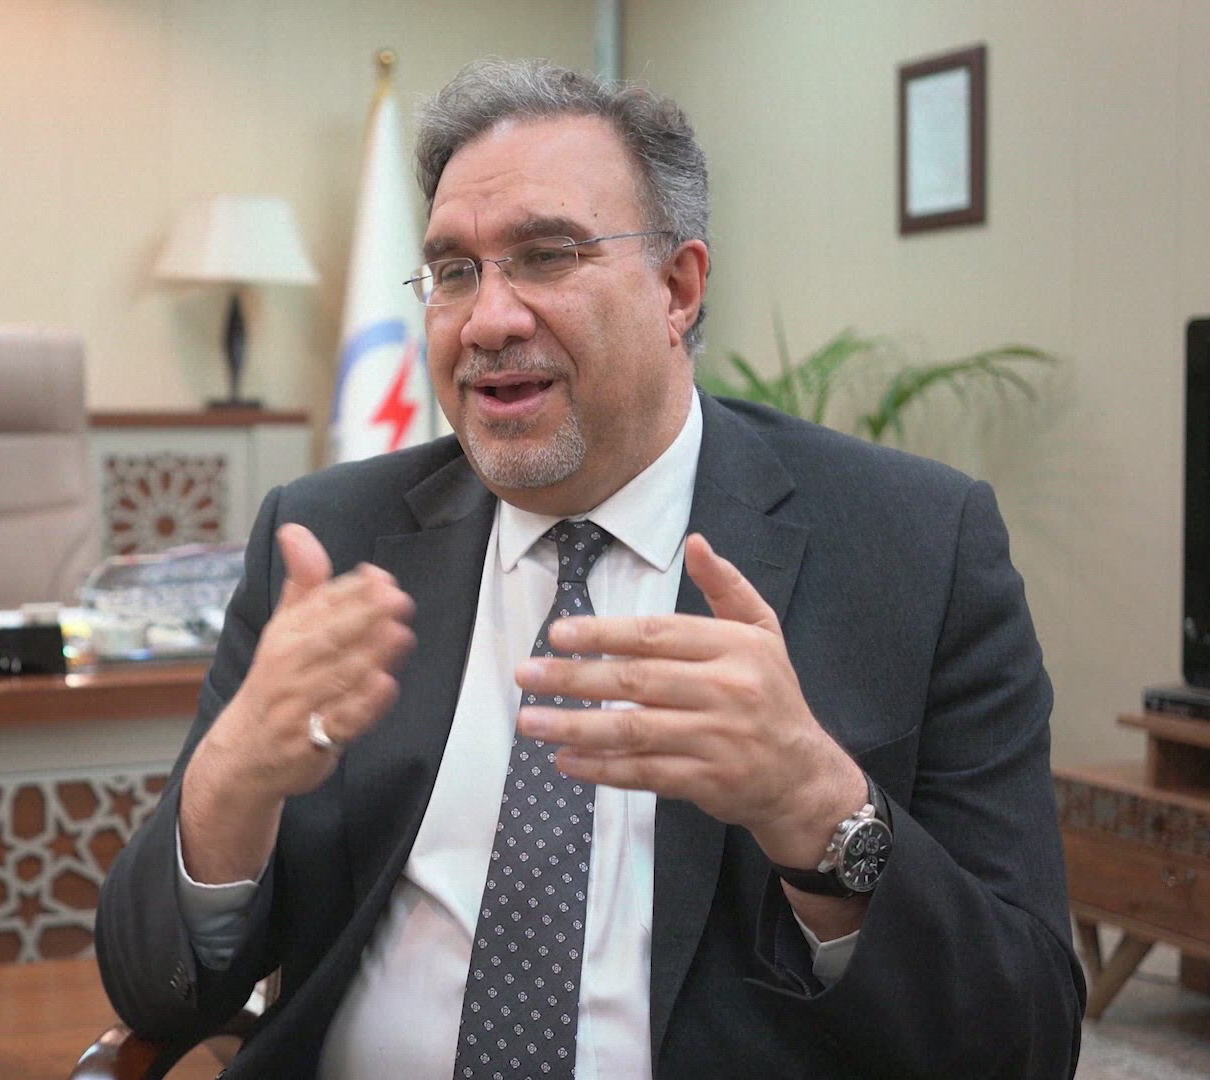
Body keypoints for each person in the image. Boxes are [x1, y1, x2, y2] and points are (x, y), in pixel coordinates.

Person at [96, 57, 1083, 1078]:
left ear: (678, 289)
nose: (488, 320)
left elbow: (1025, 1040)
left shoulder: (916, 548)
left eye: (546, 256)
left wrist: (823, 811)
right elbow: (152, 990)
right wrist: (231, 783)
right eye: (454, 272)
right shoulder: (329, 541)